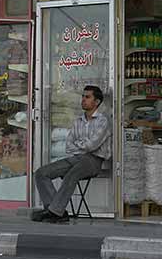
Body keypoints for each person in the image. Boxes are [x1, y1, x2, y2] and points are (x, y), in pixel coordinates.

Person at [32, 85, 111, 223]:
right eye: (83, 96)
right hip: (75, 158)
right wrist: (83, 146)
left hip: (93, 161)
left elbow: (92, 145)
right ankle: (55, 210)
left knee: (72, 174)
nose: (83, 100)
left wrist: (80, 145)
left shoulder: (102, 121)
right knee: (41, 173)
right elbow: (69, 145)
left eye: (87, 97)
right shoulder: (78, 121)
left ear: (97, 102)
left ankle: (55, 211)